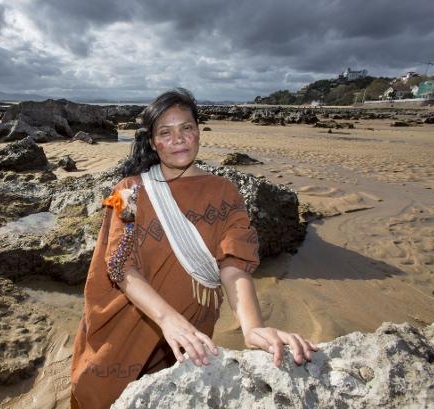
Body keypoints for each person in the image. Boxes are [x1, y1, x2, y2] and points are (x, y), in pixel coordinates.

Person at [70, 88, 317, 409]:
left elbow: (233, 263)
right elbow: (121, 266)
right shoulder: (129, 191)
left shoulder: (224, 192)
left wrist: (253, 328)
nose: (178, 139)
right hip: (129, 321)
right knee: (103, 392)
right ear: (153, 141)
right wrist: (167, 319)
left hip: (192, 322)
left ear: (198, 131)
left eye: (186, 128)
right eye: (166, 132)